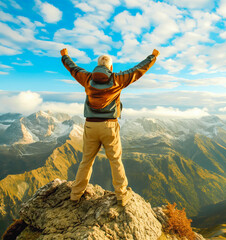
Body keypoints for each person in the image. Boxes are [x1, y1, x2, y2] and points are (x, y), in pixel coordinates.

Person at [60, 48, 159, 206]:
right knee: (115, 160)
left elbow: (73, 68)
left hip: (91, 125)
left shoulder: (86, 78)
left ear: (97, 65)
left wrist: (64, 56)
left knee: (86, 161)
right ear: (111, 68)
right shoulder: (118, 79)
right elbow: (138, 70)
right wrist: (153, 57)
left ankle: (75, 195)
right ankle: (121, 195)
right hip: (110, 126)